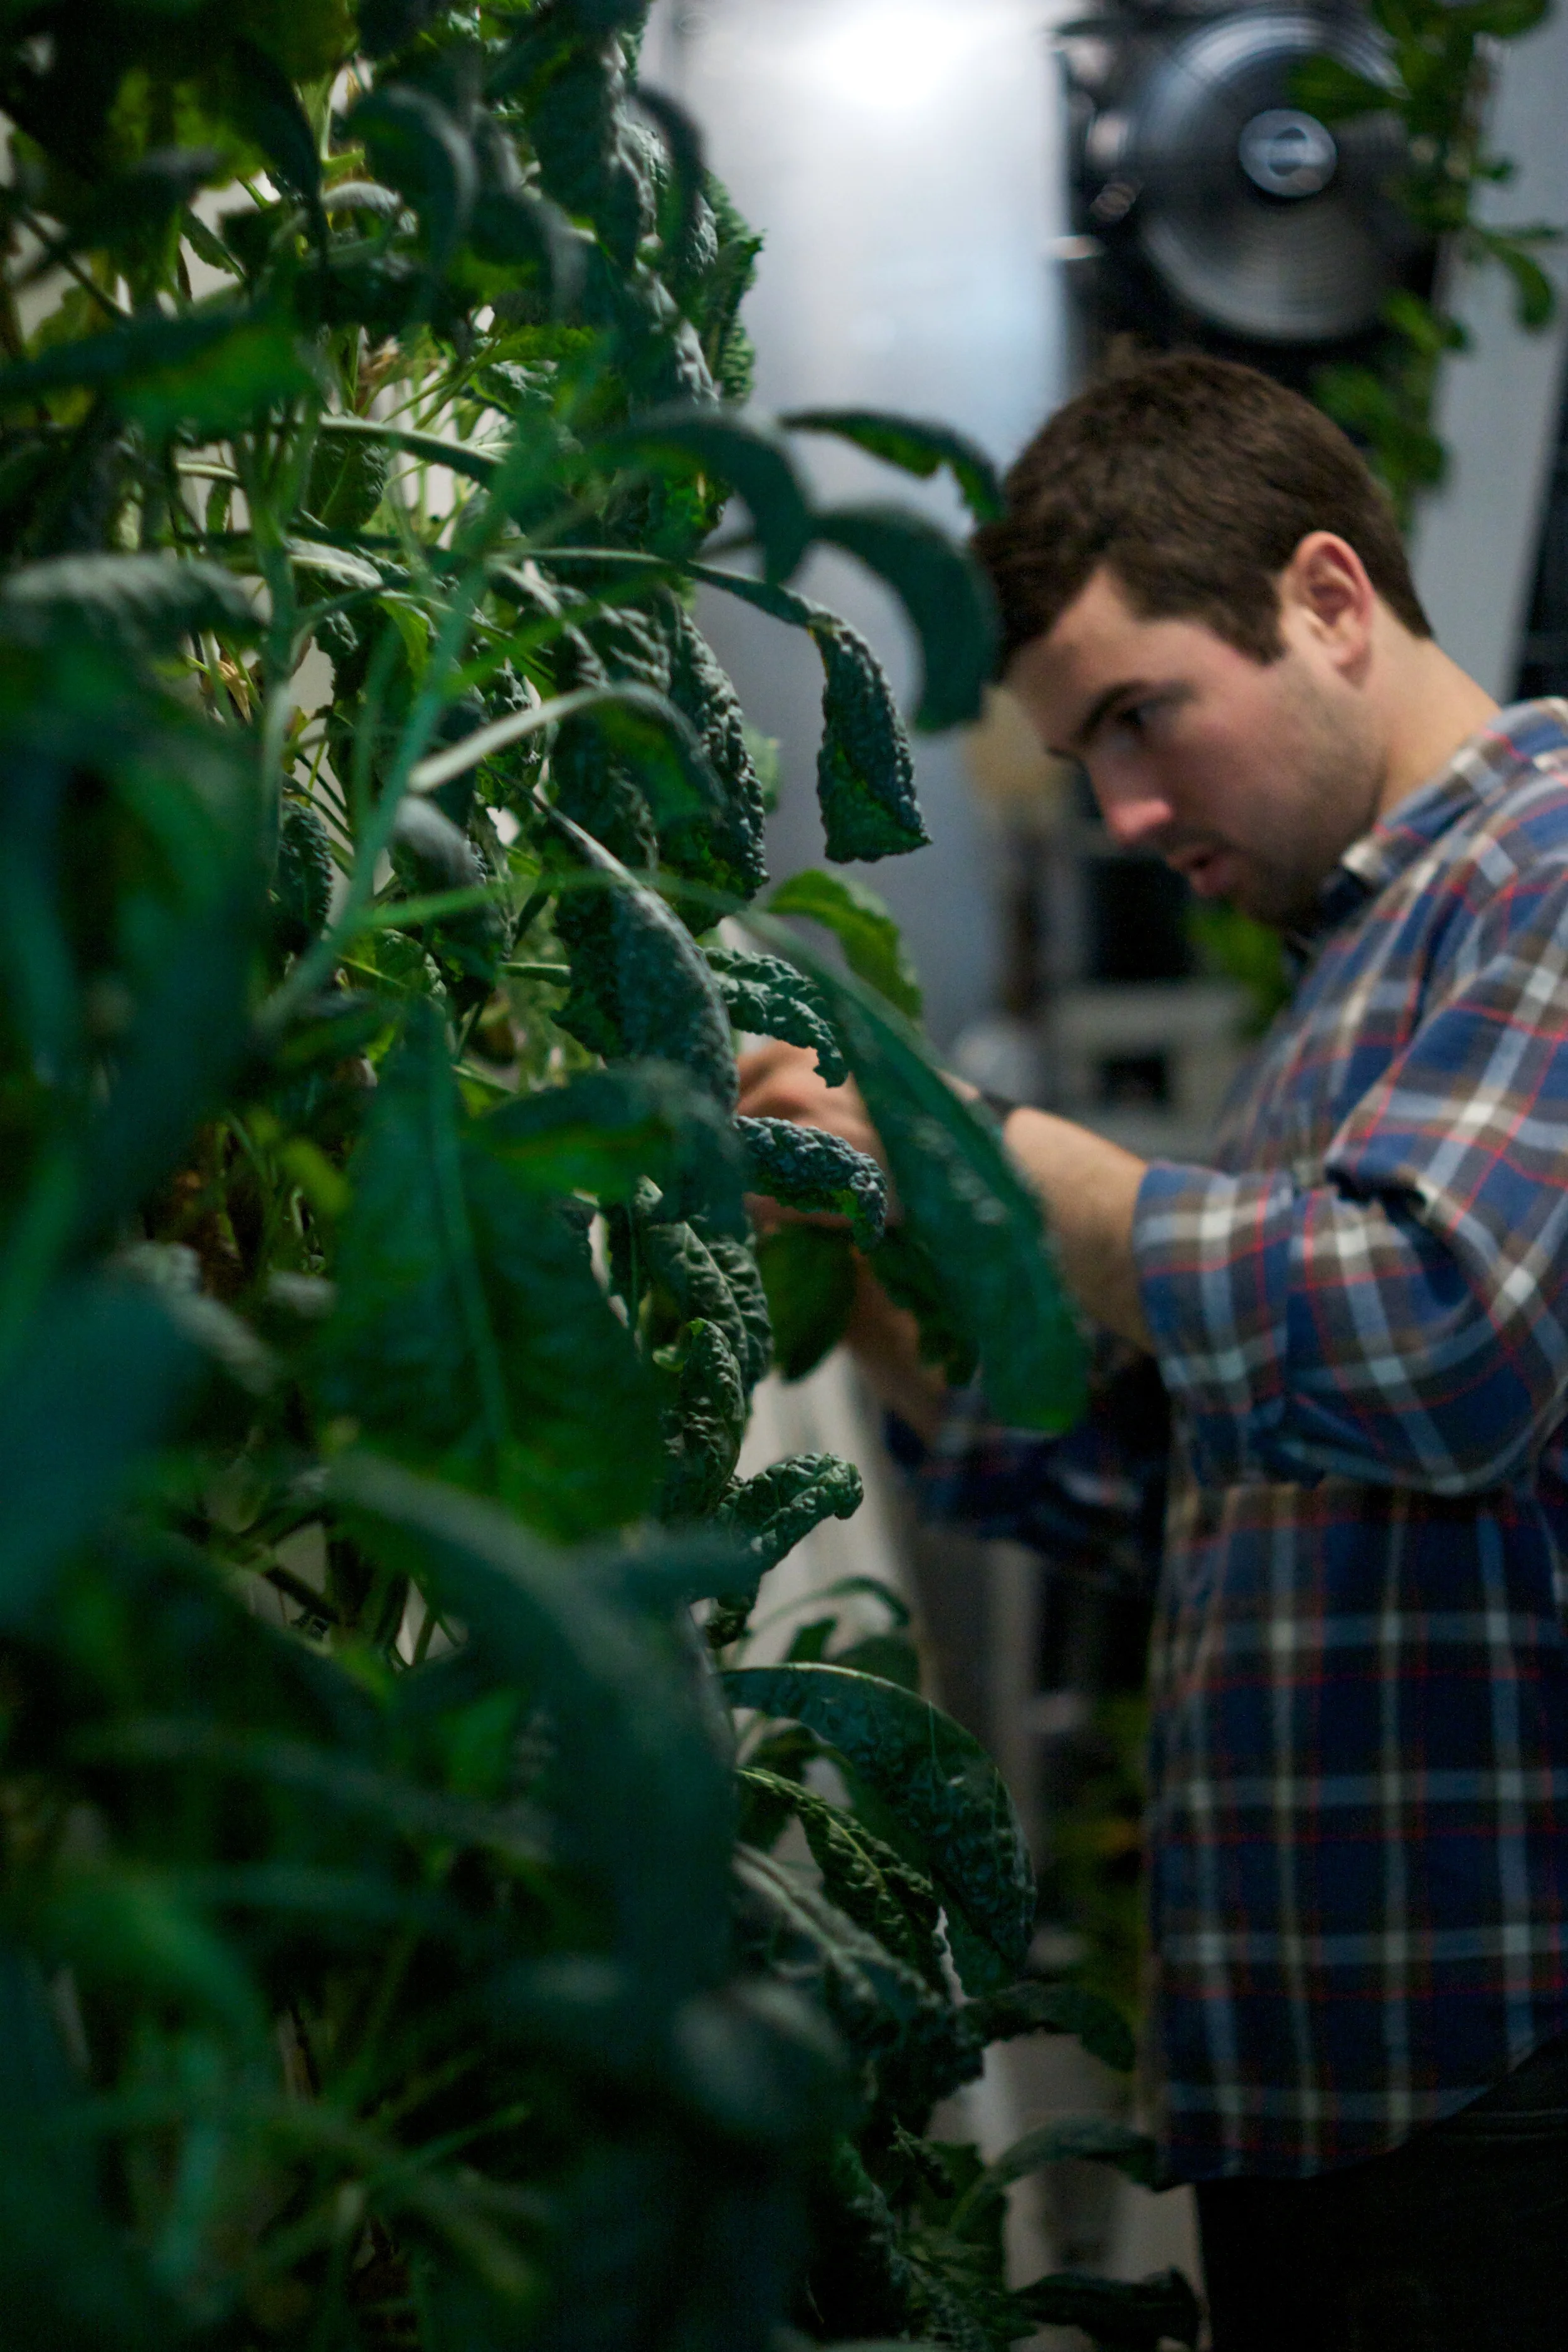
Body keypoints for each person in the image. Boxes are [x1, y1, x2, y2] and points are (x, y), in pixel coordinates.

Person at [739, 354, 1568, 2351]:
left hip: (1507, 2077)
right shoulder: (1363, 972)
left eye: (1138, 716)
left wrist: (978, 1150)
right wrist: (879, 1274)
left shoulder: (1540, 867)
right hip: (1347, 2084)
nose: (1117, 809)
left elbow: (1433, 1335)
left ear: (1328, 601)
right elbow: (1194, 1493)